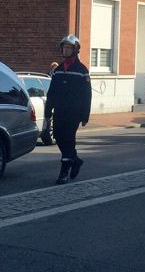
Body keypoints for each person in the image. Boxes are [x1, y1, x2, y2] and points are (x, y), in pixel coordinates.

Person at [44, 35, 92, 184]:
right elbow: (52, 92)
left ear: (76, 50)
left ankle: (64, 172)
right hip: (59, 111)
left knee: (69, 139)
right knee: (58, 137)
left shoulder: (82, 70)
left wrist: (85, 115)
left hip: (74, 113)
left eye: (69, 48)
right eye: (64, 48)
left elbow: (87, 95)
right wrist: (48, 111)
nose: (66, 50)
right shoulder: (57, 70)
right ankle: (75, 160)